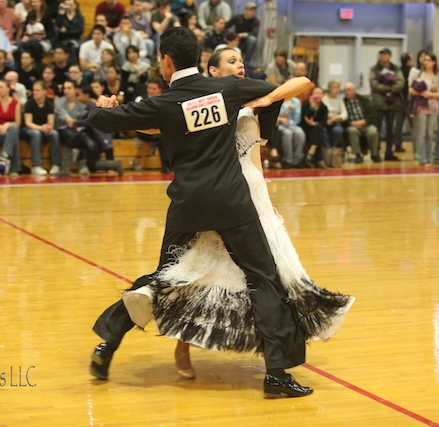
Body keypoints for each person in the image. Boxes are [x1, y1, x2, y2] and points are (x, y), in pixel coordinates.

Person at [88, 28, 317, 398]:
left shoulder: (162, 102)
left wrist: (104, 107)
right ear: (198, 57)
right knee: (263, 279)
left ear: (165, 60)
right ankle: (276, 375)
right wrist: (266, 98)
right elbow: (293, 84)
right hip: (231, 201)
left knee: (164, 279)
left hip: (188, 205)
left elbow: (101, 120)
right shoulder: (226, 90)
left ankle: (108, 344)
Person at [122, 46, 354, 386]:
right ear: (212, 71)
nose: (240, 65)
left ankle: (272, 355)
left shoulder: (253, 98)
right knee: (197, 274)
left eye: (242, 61)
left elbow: (302, 81)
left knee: (270, 281)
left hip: (252, 198)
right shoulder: (202, 103)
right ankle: (182, 347)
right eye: (232, 61)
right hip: (217, 198)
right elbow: (155, 126)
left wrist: (267, 98)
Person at [370, 47, 404, 161]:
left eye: (385, 55)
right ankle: (376, 152)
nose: (383, 57)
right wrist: (387, 88)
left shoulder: (396, 69)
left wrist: (391, 88)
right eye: (381, 55)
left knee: (391, 130)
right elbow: (374, 84)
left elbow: (400, 82)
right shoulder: (374, 69)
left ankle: (389, 152)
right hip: (379, 103)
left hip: (393, 104)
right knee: (378, 129)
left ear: (389, 56)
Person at [409, 53, 439, 166]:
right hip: (421, 105)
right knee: (421, 132)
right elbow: (411, 89)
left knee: (430, 133)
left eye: (429, 60)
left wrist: (430, 94)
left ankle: (429, 157)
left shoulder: (438, 76)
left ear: (434, 62)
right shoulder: (418, 74)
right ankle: (421, 157)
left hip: (433, 106)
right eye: (425, 60)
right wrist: (421, 93)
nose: (426, 62)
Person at [21, 80, 61, 175]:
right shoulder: (29, 103)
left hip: (43, 128)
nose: (35, 92)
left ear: (44, 91)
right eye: (34, 90)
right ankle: (36, 165)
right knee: (36, 133)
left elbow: (51, 122)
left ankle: (56, 164)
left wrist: (47, 127)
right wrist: (41, 128)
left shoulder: (49, 104)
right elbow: (28, 123)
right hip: (29, 129)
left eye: (38, 90)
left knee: (54, 133)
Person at [343, 82, 380, 163]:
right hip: (352, 125)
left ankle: (374, 154)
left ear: (354, 90)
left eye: (349, 90)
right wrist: (351, 123)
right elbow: (343, 117)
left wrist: (364, 122)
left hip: (366, 124)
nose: (346, 92)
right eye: (345, 90)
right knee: (352, 131)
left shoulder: (364, 100)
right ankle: (358, 155)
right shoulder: (343, 102)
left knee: (373, 131)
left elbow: (372, 113)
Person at [301, 85, 328, 169]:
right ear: (311, 95)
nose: (318, 95)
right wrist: (312, 108)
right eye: (316, 93)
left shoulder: (324, 107)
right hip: (306, 128)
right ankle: (320, 160)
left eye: (320, 93)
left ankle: (312, 150)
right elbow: (303, 119)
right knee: (317, 133)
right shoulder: (306, 104)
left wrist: (315, 123)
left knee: (317, 129)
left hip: (317, 128)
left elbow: (323, 122)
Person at [322, 78, 347, 167]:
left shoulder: (339, 100)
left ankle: (333, 151)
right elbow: (321, 112)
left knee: (338, 131)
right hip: (325, 121)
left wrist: (335, 117)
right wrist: (327, 117)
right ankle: (327, 150)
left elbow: (344, 114)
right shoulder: (324, 99)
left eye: (338, 88)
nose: (337, 90)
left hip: (335, 121)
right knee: (322, 131)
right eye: (335, 87)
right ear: (329, 88)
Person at [276, 96, 305, 168]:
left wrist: (294, 110)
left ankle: (297, 160)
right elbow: (273, 116)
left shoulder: (296, 101)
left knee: (300, 133)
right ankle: (288, 160)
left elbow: (298, 119)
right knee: (287, 134)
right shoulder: (277, 100)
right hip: (280, 125)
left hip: (293, 124)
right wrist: (281, 119)